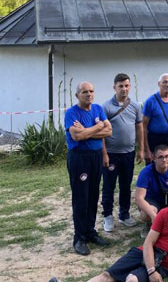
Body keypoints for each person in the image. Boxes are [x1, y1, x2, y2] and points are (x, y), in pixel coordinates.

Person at [65, 81, 112, 255]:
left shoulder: (98, 109)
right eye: (85, 92)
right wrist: (98, 127)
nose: (89, 94)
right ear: (77, 95)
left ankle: (90, 232)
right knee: (81, 197)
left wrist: (87, 131)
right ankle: (79, 238)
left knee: (93, 195)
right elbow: (77, 136)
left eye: (91, 91)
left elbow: (109, 131)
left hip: (96, 156)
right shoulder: (71, 113)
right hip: (79, 158)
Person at [101, 73, 144, 233]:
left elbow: (139, 127)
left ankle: (124, 215)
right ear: (114, 87)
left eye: (126, 86)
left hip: (128, 153)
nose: (124, 89)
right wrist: (104, 154)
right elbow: (101, 133)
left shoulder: (135, 106)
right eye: (120, 86)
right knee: (109, 186)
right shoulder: (106, 107)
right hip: (111, 154)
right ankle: (107, 216)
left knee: (126, 185)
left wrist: (141, 149)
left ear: (129, 87)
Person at [142, 73, 168, 159]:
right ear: (159, 84)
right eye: (165, 82)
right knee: (155, 164)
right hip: (156, 140)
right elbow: (143, 126)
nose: (167, 84)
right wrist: (146, 149)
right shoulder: (150, 101)